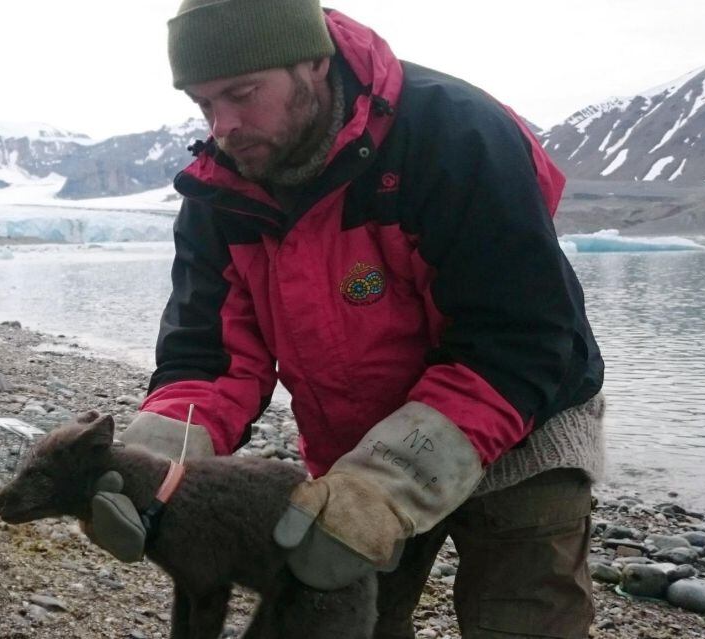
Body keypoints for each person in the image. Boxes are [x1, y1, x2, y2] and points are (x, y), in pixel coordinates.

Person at [87, 1, 606, 637]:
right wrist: (146, 463)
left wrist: (388, 486)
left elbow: (515, 342)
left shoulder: (455, 137)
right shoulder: (223, 190)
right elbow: (211, 358)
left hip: (526, 429)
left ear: (313, 60)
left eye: (242, 94)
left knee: (525, 620)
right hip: (355, 450)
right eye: (203, 104)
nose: (222, 127)